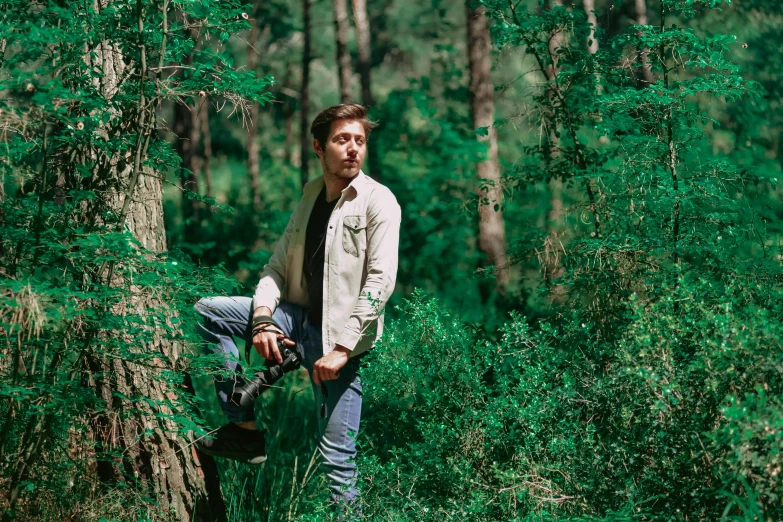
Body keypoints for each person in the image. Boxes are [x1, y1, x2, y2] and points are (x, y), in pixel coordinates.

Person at [194, 104, 401, 516]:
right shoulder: (310, 195)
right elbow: (274, 267)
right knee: (208, 311)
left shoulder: (379, 201)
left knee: (337, 461)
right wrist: (263, 320)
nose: (353, 149)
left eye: (359, 141)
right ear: (318, 147)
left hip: (341, 344)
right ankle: (244, 430)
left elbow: (381, 282)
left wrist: (342, 349)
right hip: (295, 319)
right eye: (343, 140)